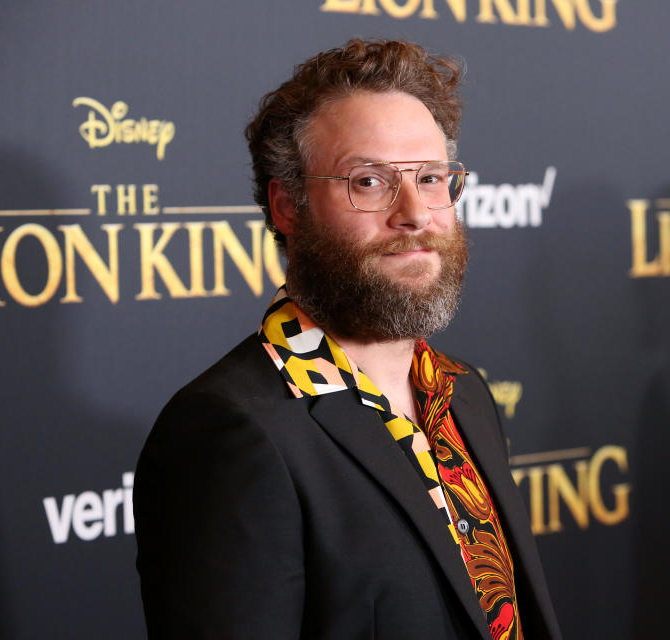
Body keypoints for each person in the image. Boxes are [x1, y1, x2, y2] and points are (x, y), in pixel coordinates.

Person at [134, 38, 562, 640]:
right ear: (289, 206)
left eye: (431, 178)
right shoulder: (229, 433)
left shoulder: (462, 392)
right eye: (369, 181)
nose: (414, 212)